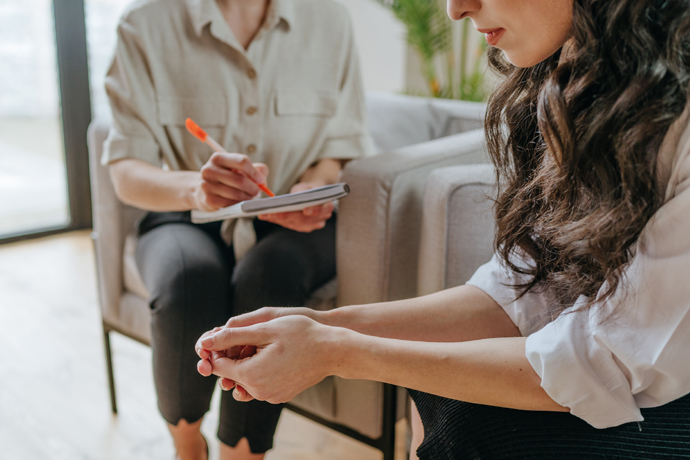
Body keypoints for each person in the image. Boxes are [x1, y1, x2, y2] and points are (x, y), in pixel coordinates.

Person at [194, 0, 690, 458]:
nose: (455, 9)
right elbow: (524, 287)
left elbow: (609, 359)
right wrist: (328, 325)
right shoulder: (575, 80)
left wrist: (336, 351)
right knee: (441, 397)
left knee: (468, 422)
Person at [102, 0, 373, 458]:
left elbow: (341, 147)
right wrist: (197, 191)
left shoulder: (329, 19)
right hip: (187, 209)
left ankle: (243, 453)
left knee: (268, 280)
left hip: (296, 217)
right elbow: (126, 170)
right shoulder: (145, 23)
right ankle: (187, 444)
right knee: (187, 280)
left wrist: (317, 184)